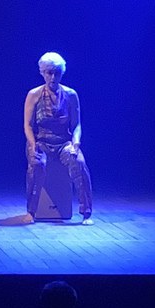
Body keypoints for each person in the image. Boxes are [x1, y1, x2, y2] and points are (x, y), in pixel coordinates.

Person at [22, 52, 93, 225]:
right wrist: (33, 145)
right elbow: (28, 125)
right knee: (37, 164)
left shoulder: (70, 95)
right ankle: (31, 211)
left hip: (63, 142)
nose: (53, 77)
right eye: (49, 73)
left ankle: (86, 211)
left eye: (57, 73)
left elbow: (76, 125)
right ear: (43, 73)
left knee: (79, 162)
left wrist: (76, 143)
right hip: (41, 142)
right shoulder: (34, 94)